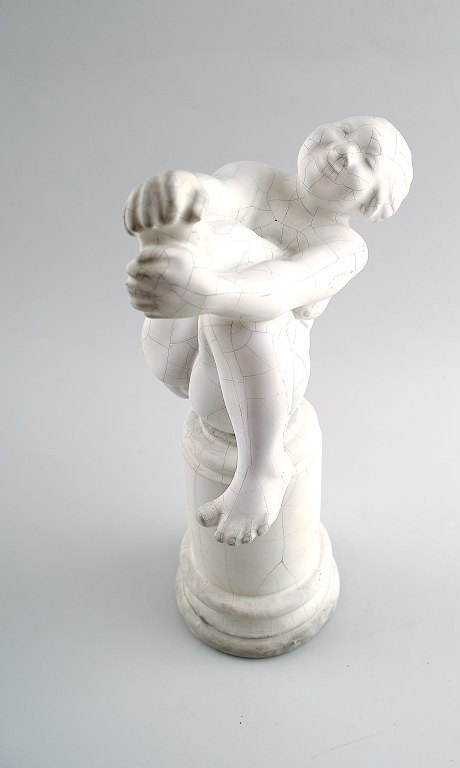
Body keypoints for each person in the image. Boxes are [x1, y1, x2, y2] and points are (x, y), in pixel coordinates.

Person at [125, 116, 413, 546]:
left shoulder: (346, 247)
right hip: (178, 346)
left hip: (257, 376)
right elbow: (219, 193)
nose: (344, 150)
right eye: (345, 130)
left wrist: (206, 290)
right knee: (207, 226)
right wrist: (181, 192)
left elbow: (284, 284)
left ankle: (263, 468)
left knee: (247, 298)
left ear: (374, 201)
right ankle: (177, 248)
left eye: (368, 160)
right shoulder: (256, 178)